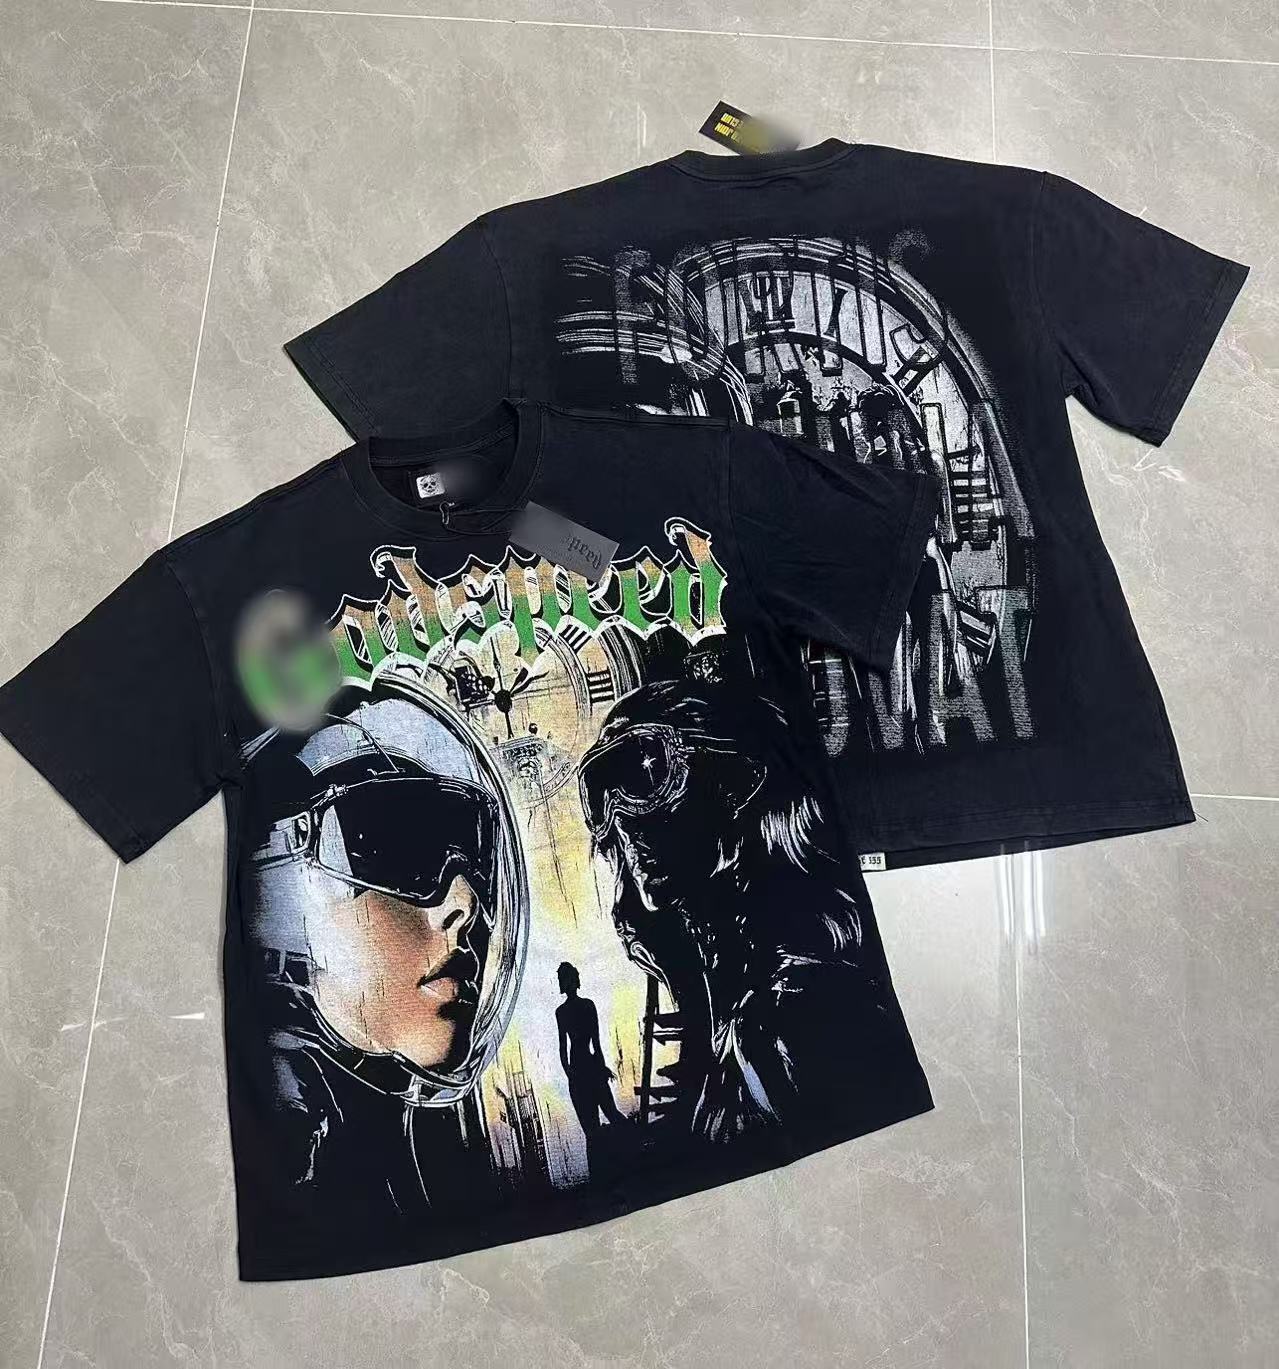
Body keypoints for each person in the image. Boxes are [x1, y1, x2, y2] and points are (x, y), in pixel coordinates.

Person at [239, 671, 529, 1246]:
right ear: (280, 885)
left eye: (475, 859)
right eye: (399, 846)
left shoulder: (410, 1159)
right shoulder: (293, 1147)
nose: (465, 905)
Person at [579, 675, 922, 1145]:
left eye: (644, 774)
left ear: (731, 783)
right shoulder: (741, 1015)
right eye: (602, 793)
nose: (623, 820)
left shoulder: (799, 1012)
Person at [555, 961, 626, 1141]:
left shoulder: (573, 1009)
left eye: (567, 979)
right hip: (584, 1069)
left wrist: (574, 1074)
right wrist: (571, 1073)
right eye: (565, 980)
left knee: (600, 1121)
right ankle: (630, 1142)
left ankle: (631, 1142)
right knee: (598, 1122)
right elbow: (568, 1047)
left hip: (583, 1069)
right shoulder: (574, 1009)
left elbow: (591, 1044)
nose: (567, 983)